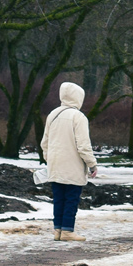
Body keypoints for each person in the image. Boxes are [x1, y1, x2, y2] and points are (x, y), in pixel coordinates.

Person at [39, 82, 98, 242]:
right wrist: (92, 164)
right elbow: (84, 146)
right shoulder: (78, 117)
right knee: (71, 199)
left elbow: (45, 143)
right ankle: (68, 231)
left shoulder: (53, 114)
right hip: (73, 167)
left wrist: (49, 159)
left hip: (55, 166)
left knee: (58, 199)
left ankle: (58, 230)